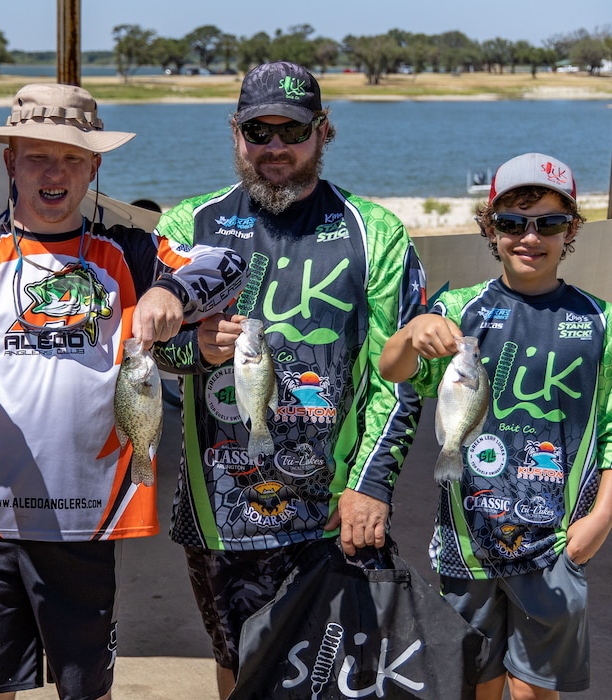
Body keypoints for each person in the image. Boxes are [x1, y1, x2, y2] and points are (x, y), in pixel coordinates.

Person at [0, 82, 247, 700]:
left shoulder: (130, 251)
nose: (54, 172)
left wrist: (171, 293)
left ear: (95, 166)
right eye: (37, 155)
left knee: (84, 690)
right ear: (10, 161)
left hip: (88, 519)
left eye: (72, 158)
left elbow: (228, 263)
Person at [150, 61, 426, 698]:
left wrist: (372, 485)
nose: (274, 148)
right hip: (219, 504)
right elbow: (152, 354)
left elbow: (400, 377)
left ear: (324, 131)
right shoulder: (187, 226)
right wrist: (194, 349)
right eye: (258, 131)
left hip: (334, 508)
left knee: (335, 675)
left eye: (292, 131)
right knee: (240, 665)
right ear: (234, 132)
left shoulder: (376, 233)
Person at [379, 152, 612, 699]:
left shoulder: (605, 322)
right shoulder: (459, 309)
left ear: (571, 230)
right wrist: (412, 332)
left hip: (556, 543)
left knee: (534, 691)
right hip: (466, 542)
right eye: (511, 223)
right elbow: (394, 371)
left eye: (549, 223)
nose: (530, 238)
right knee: (473, 684)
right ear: (490, 229)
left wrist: (601, 517)